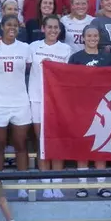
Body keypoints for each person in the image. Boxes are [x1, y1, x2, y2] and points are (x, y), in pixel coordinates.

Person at [0, 16, 32, 197]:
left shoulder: (25, 48)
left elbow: (29, 69)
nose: (12, 28)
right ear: (1, 27)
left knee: (20, 144)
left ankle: (23, 184)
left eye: (15, 25)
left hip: (20, 101)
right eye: (8, 25)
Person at [29, 15, 72, 199]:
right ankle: (46, 184)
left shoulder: (66, 49)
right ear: (43, 28)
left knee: (57, 142)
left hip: (57, 101)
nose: (53, 30)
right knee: (42, 142)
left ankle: (58, 184)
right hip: (37, 99)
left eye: (56, 28)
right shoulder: (32, 47)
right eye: (50, 27)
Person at [69, 25, 111, 198]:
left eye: (95, 35)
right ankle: (83, 185)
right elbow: (68, 82)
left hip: (103, 108)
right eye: (89, 35)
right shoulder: (76, 58)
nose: (92, 38)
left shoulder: (107, 57)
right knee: (84, 146)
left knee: (100, 146)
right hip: (82, 108)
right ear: (83, 37)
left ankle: (101, 185)